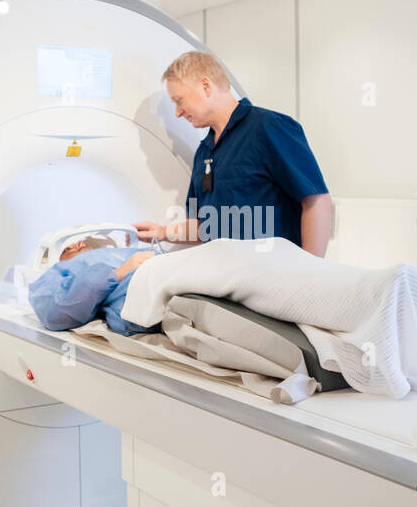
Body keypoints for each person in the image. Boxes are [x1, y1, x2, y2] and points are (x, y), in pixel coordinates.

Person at [135, 52, 332, 256]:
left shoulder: (268, 128)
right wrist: (163, 232)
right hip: (224, 277)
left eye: (179, 100)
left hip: (271, 273)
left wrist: (310, 269)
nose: (177, 112)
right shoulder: (205, 151)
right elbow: (205, 227)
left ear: (205, 86)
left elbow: (317, 201)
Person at [28, 234, 159, 335]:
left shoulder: (120, 254)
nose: (77, 244)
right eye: (67, 249)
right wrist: (118, 274)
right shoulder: (57, 274)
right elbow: (55, 311)